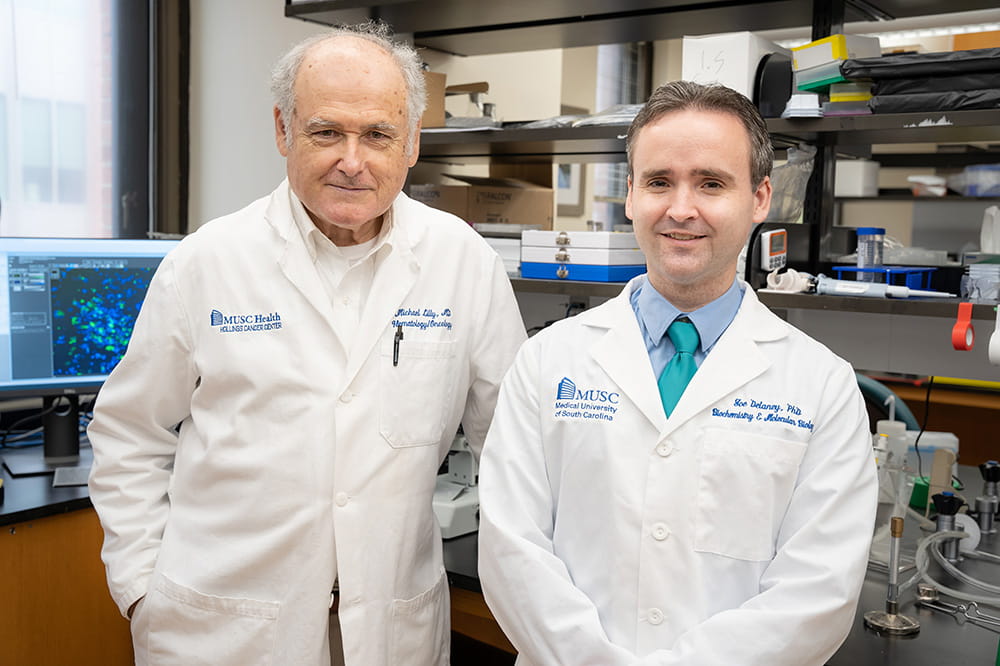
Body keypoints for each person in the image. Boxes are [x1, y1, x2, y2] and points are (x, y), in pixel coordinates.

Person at [87, 22, 526, 666]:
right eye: (327, 132)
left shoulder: (463, 262)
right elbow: (130, 432)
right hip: (222, 626)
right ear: (283, 131)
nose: (353, 159)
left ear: (411, 143)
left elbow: (514, 448)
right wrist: (139, 589)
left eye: (377, 134)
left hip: (389, 625)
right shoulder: (208, 262)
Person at [477, 80, 878, 665]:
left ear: (760, 198)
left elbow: (816, 594)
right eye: (659, 181)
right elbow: (512, 550)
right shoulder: (547, 360)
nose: (681, 208)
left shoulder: (823, 386)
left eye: (712, 183)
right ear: (631, 195)